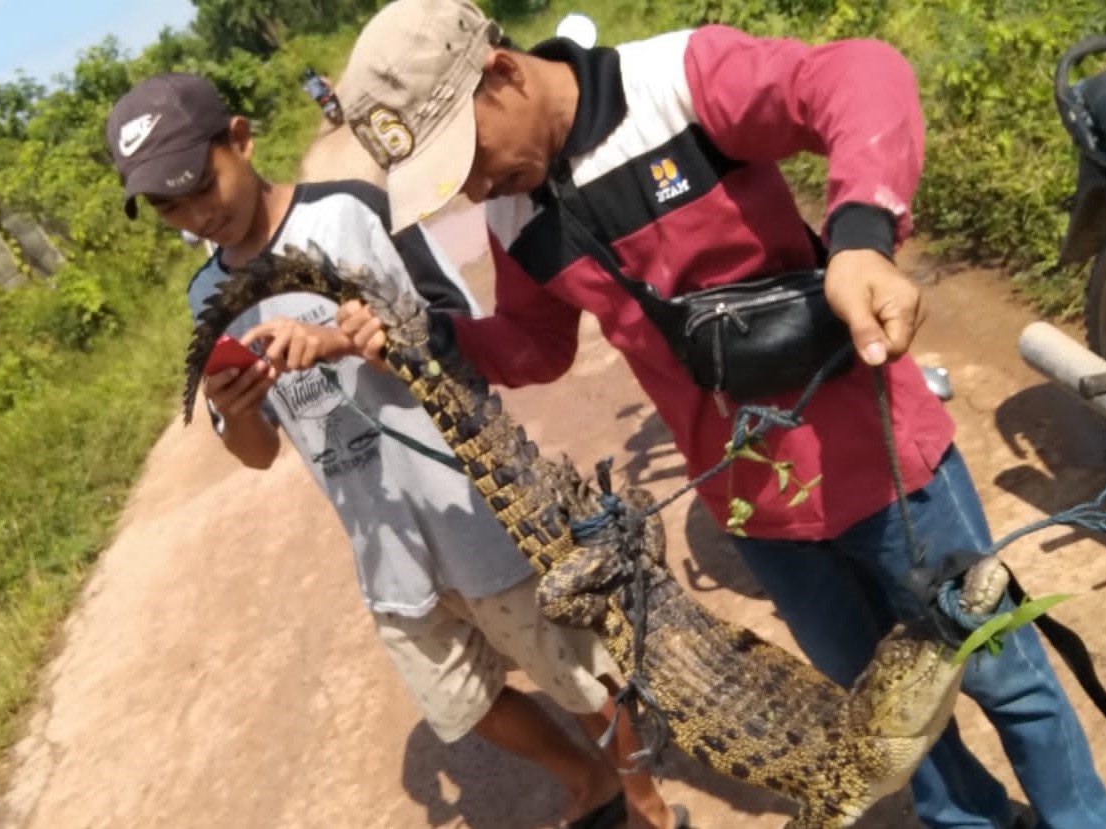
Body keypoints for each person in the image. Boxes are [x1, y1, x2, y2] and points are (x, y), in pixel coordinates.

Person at [334, 2, 1106, 828]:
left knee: (1003, 668)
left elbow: (860, 75)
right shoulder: (512, 214)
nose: (475, 188)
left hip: (878, 456)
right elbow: (536, 345)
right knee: (870, 714)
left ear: (503, 75)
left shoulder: (675, 83)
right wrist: (429, 341)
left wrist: (859, 237)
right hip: (755, 506)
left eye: (470, 157)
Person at [104, 71, 685, 829]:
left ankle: (647, 803)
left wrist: (349, 339)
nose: (195, 213)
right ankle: (588, 779)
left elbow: (465, 334)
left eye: (197, 183)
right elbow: (256, 453)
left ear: (241, 139)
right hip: (384, 542)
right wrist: (236, 412)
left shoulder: (354, 212)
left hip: (475, 506)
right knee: (460, 702)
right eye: (168, 205)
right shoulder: (205, 295)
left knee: (576, 672)